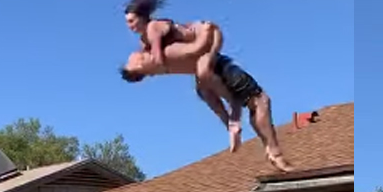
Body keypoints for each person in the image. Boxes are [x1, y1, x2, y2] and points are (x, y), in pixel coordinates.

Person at [121, 49, 293, 171]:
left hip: (203, 82)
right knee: (260, 101)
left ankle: (232, 125)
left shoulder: (157, 61)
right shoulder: (154, 48)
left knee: (240, 104)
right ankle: (273, 151)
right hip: (217, 69)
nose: (133, 55)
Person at [124, 0, 224, 89]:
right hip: (197, 45)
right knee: (203, 90)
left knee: (201, 73)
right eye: (127, 22)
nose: (129, 26)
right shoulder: (143, 41)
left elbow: (158, 58)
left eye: (131, 21)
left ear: (142, 18)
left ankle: (233, 96)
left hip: (205, 34)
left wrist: (153, 69)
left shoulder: (152, 28)